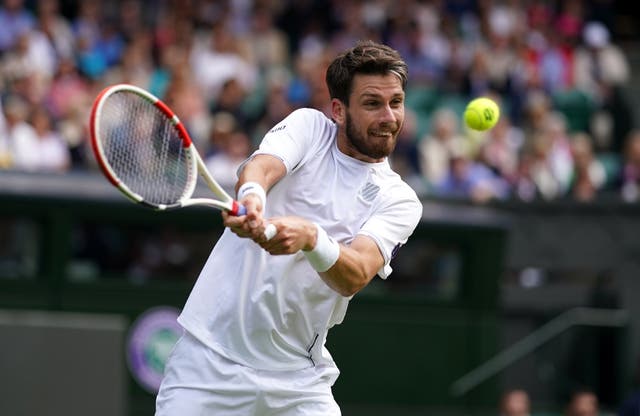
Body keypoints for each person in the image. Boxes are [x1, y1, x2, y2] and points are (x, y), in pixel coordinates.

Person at [155, 40, 423, 415]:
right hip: (210, 363)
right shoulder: (309, 127)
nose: (389, 117)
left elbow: (356, 273)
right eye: (372, 104)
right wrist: (252, 197)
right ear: (338, 110)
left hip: (299, 382)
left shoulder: (399, 199)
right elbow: (262, 168)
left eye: (396, 102)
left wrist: (311, 237)